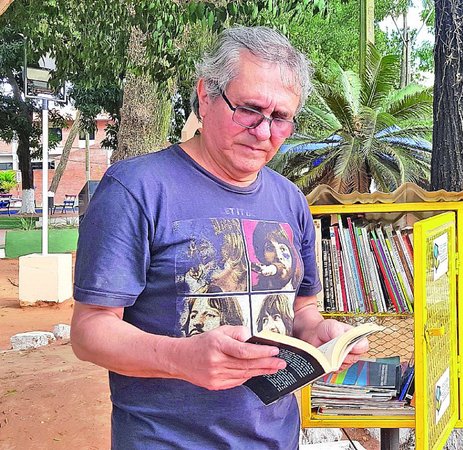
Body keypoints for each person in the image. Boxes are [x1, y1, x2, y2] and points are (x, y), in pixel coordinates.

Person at [70, 26, 369, 449]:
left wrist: (319, 332)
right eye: (249, 109)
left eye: (281, 118)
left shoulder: (290, 200)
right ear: (207, 96)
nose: (264, 132)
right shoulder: (136, 189)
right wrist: (181, 359)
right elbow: (90, 330)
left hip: (276, 439)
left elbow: (301, 308)